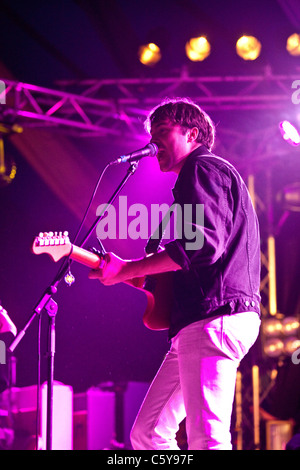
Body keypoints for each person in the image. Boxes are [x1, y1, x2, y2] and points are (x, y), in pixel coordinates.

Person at [88, 98, 261, 450]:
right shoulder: (201, 178)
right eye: (152, 134)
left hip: (214, 318)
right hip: (198, 322)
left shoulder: (202, 168)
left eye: (163, 133)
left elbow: (200, 247)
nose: (153, 144)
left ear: (192, 134)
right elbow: (197, 256)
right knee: (147, 435)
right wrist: (135, 274)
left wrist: (129, 269)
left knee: (208, 439)